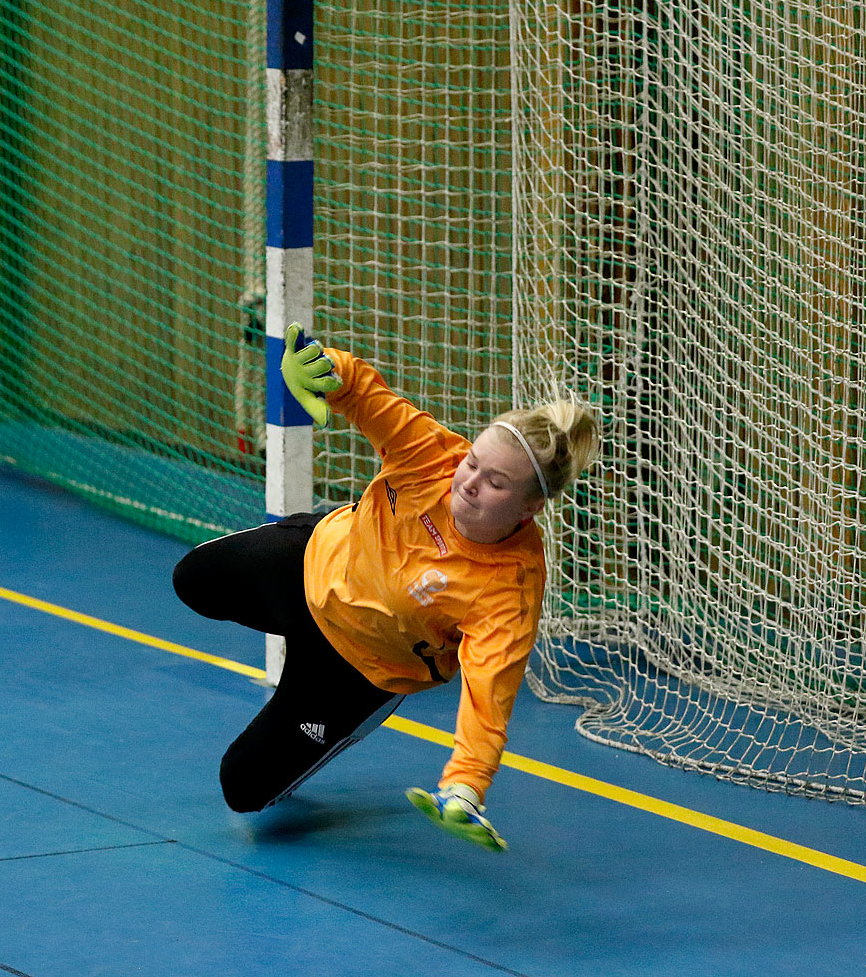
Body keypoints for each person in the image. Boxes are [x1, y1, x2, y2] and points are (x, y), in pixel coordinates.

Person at [171, 324, 599, 850]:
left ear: (531, 508)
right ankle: (288, 570)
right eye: (473, 462)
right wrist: (320, 366)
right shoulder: (432, 457)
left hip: (359, 669)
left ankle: (339, 723)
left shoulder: (508, 590)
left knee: (243, 788)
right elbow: (363, 393)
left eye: (496, 482)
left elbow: (489, 695)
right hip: (313, 564)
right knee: (192, 579)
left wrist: (466, 784)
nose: (468, 481)